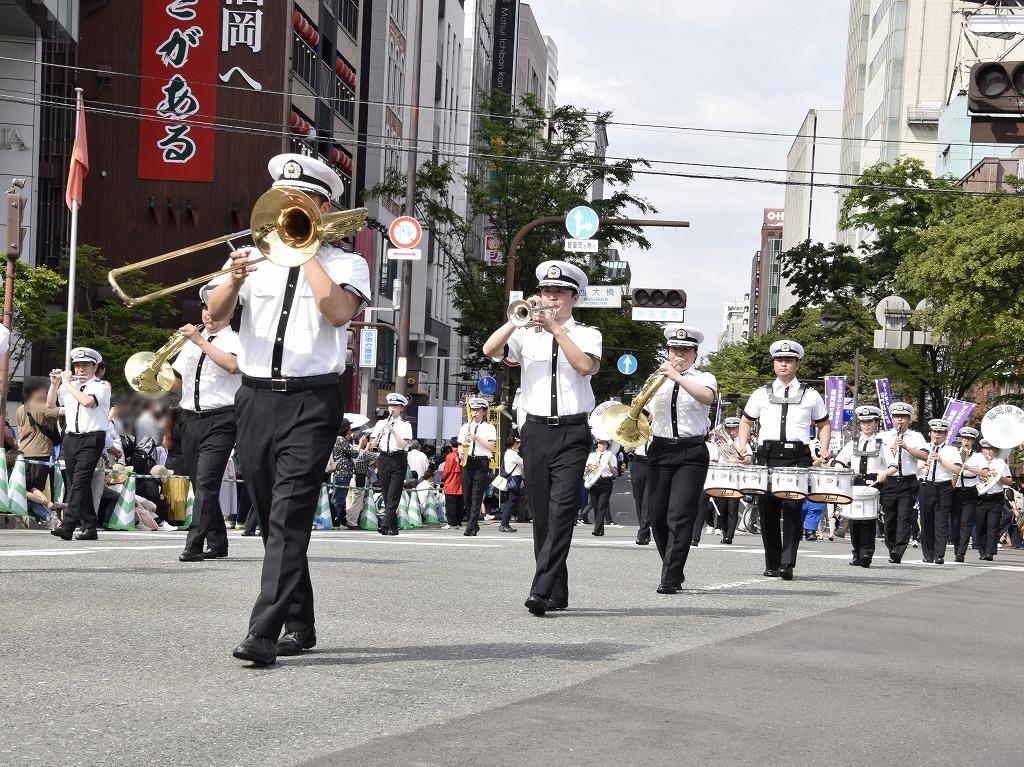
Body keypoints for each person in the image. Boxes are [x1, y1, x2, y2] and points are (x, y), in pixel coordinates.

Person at [204, 152, 370, 666]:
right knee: (270, 512)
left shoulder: (347, 264)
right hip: (253, 396)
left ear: (324, 207)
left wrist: (307, 251)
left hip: (313, 399)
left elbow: (339, 312)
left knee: (289, 514)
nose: (291, 208)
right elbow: (213, 317)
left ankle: (263, 632)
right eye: (284, 199)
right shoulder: (250, 261)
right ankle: (300, 623)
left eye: (303, 201)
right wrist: (231, 278)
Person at [482, 260, 601, 615]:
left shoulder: (587, 334)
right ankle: (557, 591)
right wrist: (516, 317)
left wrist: (556, 330)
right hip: (534, 429)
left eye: (559, 293)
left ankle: (540, 588)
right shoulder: (524, 333)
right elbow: (490, 350)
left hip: (573, 429)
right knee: (542, 514)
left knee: (563, 509)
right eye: (546, 292)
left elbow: (584, 366)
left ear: (574, 298)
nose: (550, 298)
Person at [736, 340, 830, 581]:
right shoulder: (760, 393)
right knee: (767, 510)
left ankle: (788, 562)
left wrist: (824, 448)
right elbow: (746, 421)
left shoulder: (811, 394)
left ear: (798, 364)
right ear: (773, 364)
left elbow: (823, 424)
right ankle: (772, 562)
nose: (784, 364)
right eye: (779, 360)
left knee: (792, 509)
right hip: (767, 456)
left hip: (797, 458)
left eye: (788, 360)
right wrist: (743, 446)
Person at [642, 325, 716, 592]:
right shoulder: (655, 379)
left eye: (686, 350)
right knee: (658, 516)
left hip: (691, 452)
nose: (680, 355)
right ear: (668, 351)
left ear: (695, 354)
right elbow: (644, 412)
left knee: (680, 514)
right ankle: (673, 566)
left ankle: (670, 577)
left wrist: (676, 376)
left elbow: (707, 397)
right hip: (660, 450)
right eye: (675, 349)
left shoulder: (704, 377)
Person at [171, 305, 242, 562]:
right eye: (205, 309)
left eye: (217, 310)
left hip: (222, 418)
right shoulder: (189, 343)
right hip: (189, 418)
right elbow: (178, 382)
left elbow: (233, 365)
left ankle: (194, 544)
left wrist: (199, 340)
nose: (209, 315)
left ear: (230, 313)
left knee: (206, 482)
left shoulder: (235, 340)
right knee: (198, 483)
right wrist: (154, 378)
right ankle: (218, 541)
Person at [47, 348, 111, 541]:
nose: (80, 369)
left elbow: (87, 402)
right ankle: (90, 526)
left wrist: (67, 383)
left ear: (94, 367)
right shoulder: (70, 385)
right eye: (77, 365)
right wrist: (54, 384)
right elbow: (51, 406)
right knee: (78, 483)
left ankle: (68, 525)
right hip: (71, 438)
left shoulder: (101, 386)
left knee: (80, 482)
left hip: (92, 438)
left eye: (85, 365)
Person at [834, 405, 890, 568]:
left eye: (870, 422)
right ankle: (856, 554)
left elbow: (893, 464)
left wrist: (884, 473)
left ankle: (866, 553)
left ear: (876, 423)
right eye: (863, 422)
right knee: (854, 520)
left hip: (873, 485)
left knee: (868, 520)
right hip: (855, 484)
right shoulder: (853, 443)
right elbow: (839, 460)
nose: (866, 425)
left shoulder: (881, 444)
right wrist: (840, 468)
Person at [878, 402, 928, 564]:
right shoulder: (884, 436)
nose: (900, 421)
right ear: (892, 419)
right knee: (890, 517)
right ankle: (891, 546)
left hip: (908, 481)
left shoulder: (916, 437)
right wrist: (888, 452)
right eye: (897, 418)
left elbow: (924, 456)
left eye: (903, 418)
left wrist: (906, 447)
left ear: (909, 420)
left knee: (905, 517)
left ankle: (899, 550)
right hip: (890, 482)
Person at [17, 378, 63, 530]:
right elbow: (61, 411)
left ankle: (46, 513)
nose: (47, 393)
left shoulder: (20, 408)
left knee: (26, 487)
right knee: (35, 488)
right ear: (36, 391)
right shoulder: (42, 407)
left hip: (23, 452)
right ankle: (49, 512)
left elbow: (19, 431)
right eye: (45, 390)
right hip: (40, 453)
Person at [915, 418, 963, 565]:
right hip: (926, 485)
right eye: (935, 432)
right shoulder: (923, 448)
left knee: (941, 522)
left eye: (940, 433)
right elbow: (915, 467)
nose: (937, 435)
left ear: (945, 434)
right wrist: (923, 464)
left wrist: (941, 460)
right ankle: (928, 554)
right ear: (930, 433)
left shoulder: (951, 450)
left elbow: (957, 469)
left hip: (944, 487)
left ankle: (939, 554)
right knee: (926, 520)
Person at [962, 438, 1013, 561]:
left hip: (995, 497)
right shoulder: (976, 460)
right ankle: (982, 550)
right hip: (980, 497)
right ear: (982, 450)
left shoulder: (1000, 463)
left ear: (996, 451)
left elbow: (1009, 481)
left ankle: (990, 551)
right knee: (980, 525)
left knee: (993, 525)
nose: (988, 452)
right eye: (986, 449)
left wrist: (997, 476)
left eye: (991, 449)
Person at [370, 394, 413, 535]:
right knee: (387, 493)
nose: (392, 408)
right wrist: (379, 434)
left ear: (401, 408)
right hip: (383, 459)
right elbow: (373, 445)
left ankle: (385, 525)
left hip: (398, 459)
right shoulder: (380, 423)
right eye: (390, 406)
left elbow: (403, 445)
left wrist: (393, 430)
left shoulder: (405, 425)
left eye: (395, 406)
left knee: (394, 494)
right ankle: (393, 528)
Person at [457, 398, 497, 537]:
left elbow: (491, 446)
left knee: (476, 494)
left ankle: (471, 526)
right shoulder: (465, 427)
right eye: (473, 410)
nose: (475, 413)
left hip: (481, 462)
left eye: (478, 410)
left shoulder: (489, 427)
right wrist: (461, 451)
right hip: (467, 461)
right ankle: (473, 523)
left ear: (484, 411)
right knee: (467, 494)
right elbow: (460, 444)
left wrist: (477, 438)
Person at [713, 416, 747, 544]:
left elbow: (748, 458)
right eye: (728, 428)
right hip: (722, 478)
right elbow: (713, 459)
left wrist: (737, 460)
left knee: (732, 508)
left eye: (734, 428)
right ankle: (724, 532)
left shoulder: (742, 442)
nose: (731, 431)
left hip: (735, 480)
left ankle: (729, 536)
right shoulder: (718, 442)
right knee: (723, 508)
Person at [950, 426, 979, 560]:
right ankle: (957, 549)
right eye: (964, 439)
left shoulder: (978, 456)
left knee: (965, 522)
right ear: (960, 440)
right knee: (955, 522)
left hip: (970, 491)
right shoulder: (953, 453)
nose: (966, 442)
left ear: (973, 441)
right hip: (955, 490)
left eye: (970, 440)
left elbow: (985, 472)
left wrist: (969, 467)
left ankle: (961, 552)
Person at [586, 438, 618, 537]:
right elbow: (586, 469)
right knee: (596, 506)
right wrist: (589, 468)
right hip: (594, 482)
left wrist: (609, 464)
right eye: (600, 444)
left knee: (602, 506)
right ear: (597, 445)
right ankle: (600, 530)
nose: (602, 446)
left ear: (607, 445)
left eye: (604, 444)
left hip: (606, 482)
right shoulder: (592, 455)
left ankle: (597, 529)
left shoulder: (611, 456)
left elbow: (615, 473)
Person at [627, 442, 652, 545]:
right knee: (639, 499)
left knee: (648, 500)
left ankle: (642, 533)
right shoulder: (636, 427)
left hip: (653, 461)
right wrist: (634, 443)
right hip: (638, 462)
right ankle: (645, 530)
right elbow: (626, 449)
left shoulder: (658, 427)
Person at [499, 436, 523, 532]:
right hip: (514, 479)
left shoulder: (507, 453)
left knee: (509, 502)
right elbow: (524, 463)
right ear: (514, 444)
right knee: (511, 502)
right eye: (518, 443)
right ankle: (504, 524)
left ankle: (505, 524)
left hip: (510, 479)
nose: (519, 445)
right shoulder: (513, 454)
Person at [440, 438, 464, 528]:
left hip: (451, 483)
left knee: (450, 504)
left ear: (451, 445)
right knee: (459, 504)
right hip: (461, 483)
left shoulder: (450, 456)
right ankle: (458, 522)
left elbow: (446, 471)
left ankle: (451, 523)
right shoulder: (463, 456)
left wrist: (442, 479)